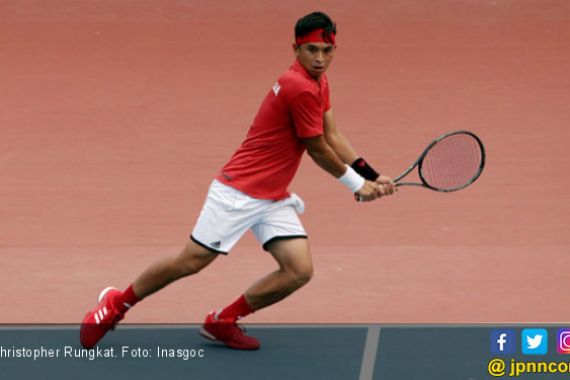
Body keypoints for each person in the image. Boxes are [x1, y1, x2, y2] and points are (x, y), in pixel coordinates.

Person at [79, 11, 396, 351]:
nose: (319, 58)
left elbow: (332, 133)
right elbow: (317, 148)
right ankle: (117, 304)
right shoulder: (298, 87)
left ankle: (222, 320)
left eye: (326, 51)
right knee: (192, 261)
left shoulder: (319, 82)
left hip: (272, 196)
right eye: (312, 50)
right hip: (237, 192)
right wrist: (355, 185)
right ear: (296, 49)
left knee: (298, 270)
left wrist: (371, 175)